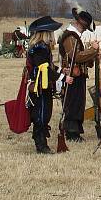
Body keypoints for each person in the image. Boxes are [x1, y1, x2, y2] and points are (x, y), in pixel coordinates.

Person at [58, 7, 100, 143]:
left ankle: (74, 131)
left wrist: (93, 55)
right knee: (73, 104)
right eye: (84, 28)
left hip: (78, 76)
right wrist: (92, 50)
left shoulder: (74, 37)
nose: (84, 31)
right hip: (72, 76)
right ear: (79, 24)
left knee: (78, 104)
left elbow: (82, 59)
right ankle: (71, 133)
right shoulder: (70, 36)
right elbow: (75, 57)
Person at [25, 16, 64, 154]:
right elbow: (44, 68)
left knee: (44, 114)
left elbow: (49, 66)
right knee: (41, 115)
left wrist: (59, 71)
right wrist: (62, 77)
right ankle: (41, 145)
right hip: (40, 87)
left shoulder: (42, 47)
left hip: (44, 86)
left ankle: (42, 144)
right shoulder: (40, 48)